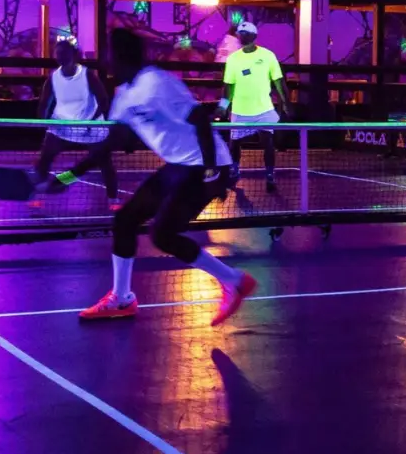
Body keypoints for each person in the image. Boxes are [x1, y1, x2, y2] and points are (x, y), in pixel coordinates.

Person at [42, 28, 256, 325]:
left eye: (108, 54)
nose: (104, 61)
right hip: (179, 165)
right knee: (126, 219)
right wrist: (65, 178)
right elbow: (109, 145)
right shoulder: (124, 94)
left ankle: (233, 281)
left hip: (206, 165)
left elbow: (200, 122)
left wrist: (211, 172)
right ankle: (121, 298)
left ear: (122, 56)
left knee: (163, 235)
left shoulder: (157, 83)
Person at [33, 38, 119, 211]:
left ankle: (113, 199)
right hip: (63, 124)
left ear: (73, 55)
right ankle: (38, 194)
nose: (59, 57)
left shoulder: (87, 75)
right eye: (57, 54)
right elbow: (44, 104)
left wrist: (92, 121)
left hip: (90, 124)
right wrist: (43, 121)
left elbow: (103, 99)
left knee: (104, 162)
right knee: (44, 158)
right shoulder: (53, 78)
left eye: (63, 53)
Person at [219, 21, 290, 193]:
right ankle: (234, 171)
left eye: (245, 34)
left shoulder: (268, 56)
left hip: (263, 110)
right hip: (240, 110)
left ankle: (270, 175)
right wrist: (223, 106)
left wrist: (286, 103)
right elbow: (229, 86)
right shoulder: (233, 59)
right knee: (234, 144)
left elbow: (278, 81)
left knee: (268, 141)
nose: (242, 36)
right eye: (240, 34)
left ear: (254, 36)